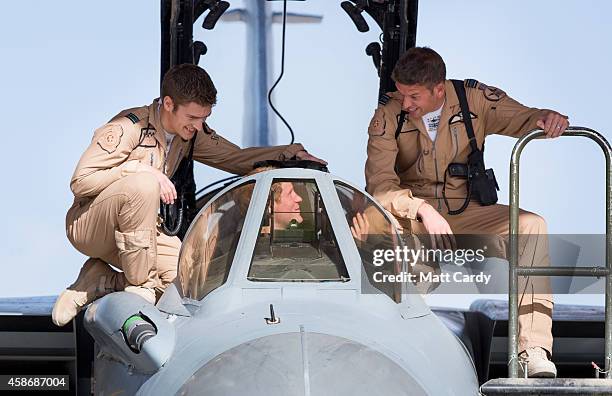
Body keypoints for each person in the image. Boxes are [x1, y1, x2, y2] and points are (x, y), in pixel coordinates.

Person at [52, 64, 326, 327]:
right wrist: (140, 171)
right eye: (192, 118)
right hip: (92, 225)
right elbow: (81, 181)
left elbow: (235, 158)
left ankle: (100, 281)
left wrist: (291, 154)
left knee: (189, 287)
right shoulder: (129, 127)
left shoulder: (189, 133)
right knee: (143, 186)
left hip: (140, 230)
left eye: (203, 119)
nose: (197, 126)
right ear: (168, 104)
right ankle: (139, 286)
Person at [365, 47, 569, 378]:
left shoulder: (473, 99)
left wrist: (548, 118)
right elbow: (380, 185)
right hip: (414, 217)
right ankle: (395, 349)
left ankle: (532, 349)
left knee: (531, 226)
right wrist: (421, 210)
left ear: (439, 90)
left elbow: (524, 117)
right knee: (386, 238)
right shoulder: (388, 115)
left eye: (414, 96)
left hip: (467, 209)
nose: (406, 104)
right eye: (402, 95)